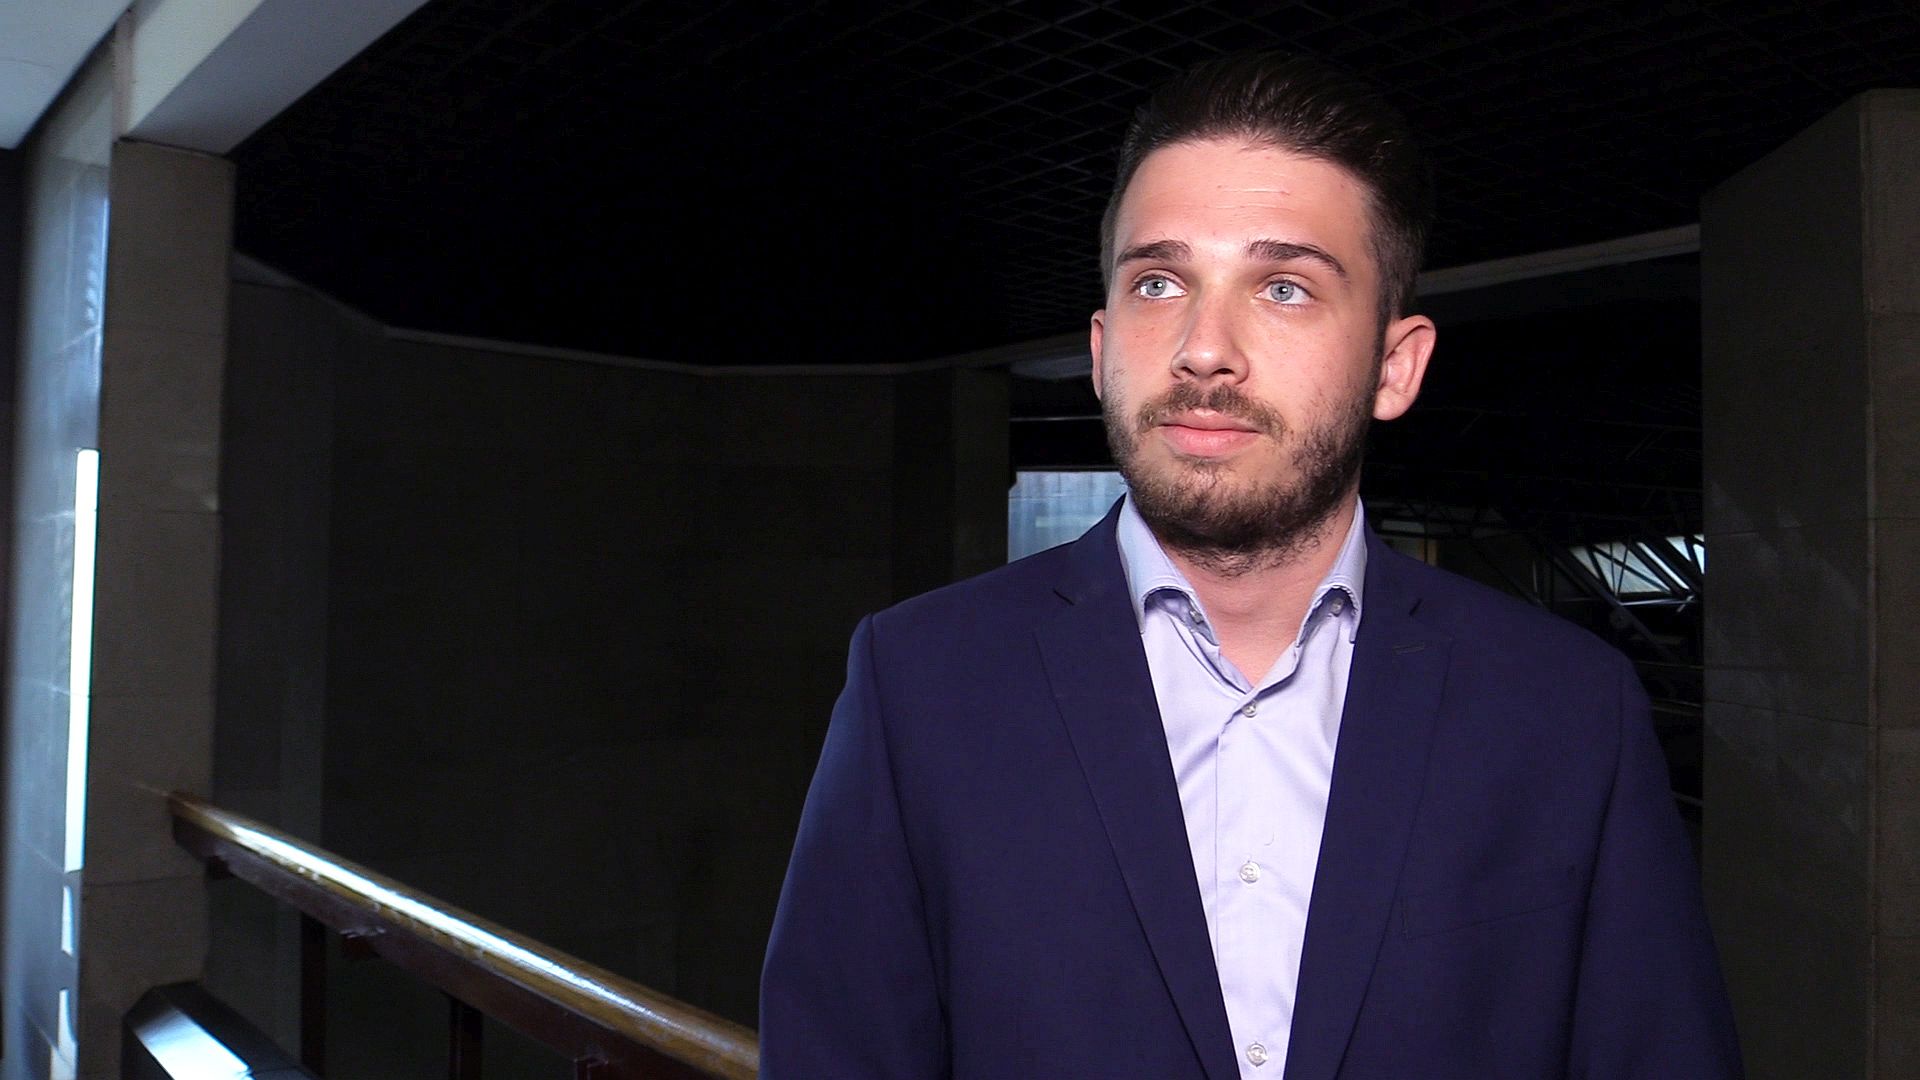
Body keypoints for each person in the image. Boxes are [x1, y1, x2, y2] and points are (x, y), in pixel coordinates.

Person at [760, 51, 1741, 1080]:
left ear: (1394, 366)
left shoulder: (1567, 711)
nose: (1203, 347)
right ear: (1100, 349)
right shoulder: (919, 685)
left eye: (1283, 287)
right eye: (1158, 282)